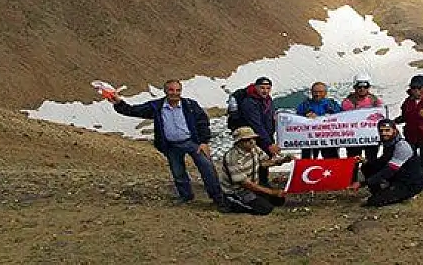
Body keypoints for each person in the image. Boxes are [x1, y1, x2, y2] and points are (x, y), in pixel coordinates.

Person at [108, 79, 226, 209]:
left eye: (177, 90)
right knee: (178, 172)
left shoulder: (190, 105)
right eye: (171, 90)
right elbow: (134, 110)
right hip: (171, 146)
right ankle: (186, 196)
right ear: (165, 91)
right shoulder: (156, 106)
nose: (174, 93)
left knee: (207, 168)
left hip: (192, 143)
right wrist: (119, 103)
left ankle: (217, 198)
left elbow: (202, 121)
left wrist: (204, 142)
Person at [220, 127, 294, 215]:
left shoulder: (254, 149)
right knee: (264, 209)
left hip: (253, 184)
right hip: (238, 190)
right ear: (239, 142)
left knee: (279, 200)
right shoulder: (232, 157)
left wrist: (282, 160)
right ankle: (231, 201)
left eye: (253, 139)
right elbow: (245, 183)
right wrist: (271, 192)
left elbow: (264, 162)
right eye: (247, 140)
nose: (252, 142)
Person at [359, 119, 423, 207]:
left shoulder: (402, 146)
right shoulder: (388, 143)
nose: (384, 133)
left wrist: (363, 183)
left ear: (394, 130)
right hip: (398, 177)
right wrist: (366, 162)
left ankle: (404, 195)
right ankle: (380, 192)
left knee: (373, 202)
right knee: (367, 166)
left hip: (410, 183)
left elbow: (389, 171)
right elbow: (382, 161)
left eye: (387, 130)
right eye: (381, 131)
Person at [239, 76, 279, 187]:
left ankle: (263, 183)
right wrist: (268, 143)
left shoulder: (268, 100)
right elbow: (256, 125)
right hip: (254, 138)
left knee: (265, 160)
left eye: (268, 88)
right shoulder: (249, 102)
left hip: (266, 136)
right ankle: (256, 185)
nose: (265, 90)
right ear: (256, 87)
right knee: (256, 162)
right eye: (262, 88)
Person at [341, 73, 383, 161]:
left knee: (371, 161)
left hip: (371, 138)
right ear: (355, 87)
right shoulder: (348, 101)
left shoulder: (375, 100)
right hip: (354, 138)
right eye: (359, 87)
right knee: (353, 162)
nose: (362, 89)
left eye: (365, 86)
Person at [296, 82, 342, 159]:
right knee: (308, 161)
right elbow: (296, 120)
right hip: (309, 140)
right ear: (311, 92)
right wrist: (304, 117)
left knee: (331, 161)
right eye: (315, 92)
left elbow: (342, 117)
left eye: (320, 92)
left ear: (326, 93)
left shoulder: (332, 104)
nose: (317, 94)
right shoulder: (304, 105)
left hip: (328, 139)